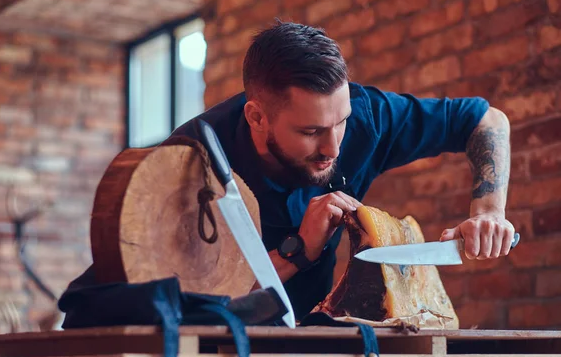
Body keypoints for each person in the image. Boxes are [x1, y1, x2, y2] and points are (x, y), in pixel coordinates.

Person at [172, 20, 515, 320]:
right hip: (214, 348)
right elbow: (189, 303)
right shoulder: (187, 160)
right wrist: (299, 251)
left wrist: (489, 213)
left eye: (341, 122)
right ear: (257, 118)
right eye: (310, 132)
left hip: (313, 335)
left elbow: (486, 120)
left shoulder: (369, 117)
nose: (333, 148)